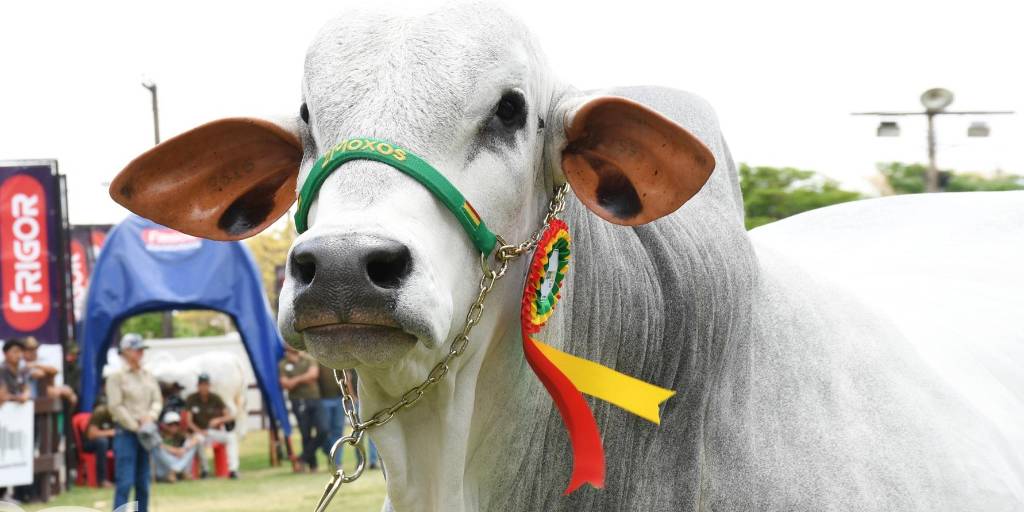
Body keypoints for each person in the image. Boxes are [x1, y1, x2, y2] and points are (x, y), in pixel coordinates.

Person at [106, 333, 162, 512]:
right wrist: (135, 425)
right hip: (126, 433)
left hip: (146, 432)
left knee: (143, 483)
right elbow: (115, 406)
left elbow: (157, 400)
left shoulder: (148, 375)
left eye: (141, 350)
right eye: (137, 350)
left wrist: (151, 416)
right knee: (125, 482)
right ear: (126, 351)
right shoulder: (116, 377)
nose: (141, 353)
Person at [183, 373, 239, 479]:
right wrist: (199, 431)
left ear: (209, 385)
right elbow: (188, 421)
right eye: (202, 385)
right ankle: (204, 470)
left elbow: (229, 416)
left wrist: (218, 420)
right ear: (198, 386)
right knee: (195, 441)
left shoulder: (216, 398)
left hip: (212, 432)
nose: (204, 387)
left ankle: (233, 470)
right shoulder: (192, 399)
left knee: (231, 437)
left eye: (206, 384)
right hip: (198, 432)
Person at [278, 347, 320, 472]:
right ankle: (312, 466)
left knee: (324, 430)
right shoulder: (283, 364)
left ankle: (301, 458)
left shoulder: (308, 359)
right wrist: (304, 378)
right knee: (305, 433)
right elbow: (286, 384)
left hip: (314, 398)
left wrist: (295, 380)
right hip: (298, 401)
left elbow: (313, 375)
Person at [22, 337, 77, 405]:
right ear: (24, 351)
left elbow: (54, 370)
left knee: (69, 393)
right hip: (31, 397)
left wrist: (36, 365)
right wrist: (47, 372)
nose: (33, 352)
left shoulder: (40, 360)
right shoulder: (21, 362)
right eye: (30, 349)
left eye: (35, 349)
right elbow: (38, 374)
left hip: (45, 395)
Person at [152, 411, 198, 483]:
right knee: (156, 448)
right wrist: (174, 451)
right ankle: (177, 471)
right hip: (164, 469)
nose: (174, 426)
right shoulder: (159, 435)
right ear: (164, 425)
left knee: (191, 445)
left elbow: (196, 439)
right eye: (170, 424)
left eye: (176, 424)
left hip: (178, 462)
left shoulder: (180, 435)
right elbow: (158, 445)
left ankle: (175, 471)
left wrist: (184, 449)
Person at [84, 398, 116, 488]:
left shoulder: (120, 414)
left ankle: (121, 478)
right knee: (102, 442)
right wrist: (110, 432)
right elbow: (91, 434)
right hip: (90, 443)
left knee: (122, 442)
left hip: (109, 442)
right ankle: (102, 480)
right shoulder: (100, 412)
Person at [317, 363, 345, 467]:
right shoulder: (317, 360)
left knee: (338, 431)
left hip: (338, 399)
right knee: (324, 431)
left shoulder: (338, 359)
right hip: (323, 400)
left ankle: (336, 462)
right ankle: (329, 452)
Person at [0, 338, 31, 404]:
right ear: (5, 353)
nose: (19, 355)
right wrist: (17, 398)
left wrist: (25, 395)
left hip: (19, 408)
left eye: (21, 352)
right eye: (15, 352)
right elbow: (2, 395)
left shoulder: (23, 370)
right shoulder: (1, 370)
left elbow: (26, 388)